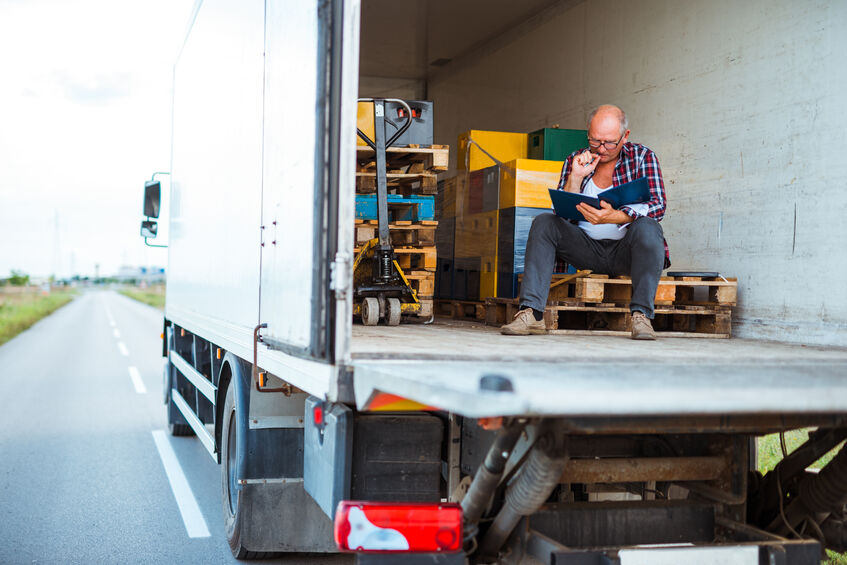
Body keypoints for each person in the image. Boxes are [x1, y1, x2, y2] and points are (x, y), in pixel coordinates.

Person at [500, 104, 670, 340]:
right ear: (588, 134)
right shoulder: (576, 159)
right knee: (544, 222)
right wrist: (575, 177)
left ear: (625, 136)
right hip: (585, 248)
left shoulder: (643, 157)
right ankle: (532, 313)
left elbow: (659, 205)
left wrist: (617, 216)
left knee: (650, 227)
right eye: (595, 141)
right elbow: (562, 213)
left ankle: (641, 316)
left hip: (626, 251)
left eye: (610, 142)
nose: (602, 148)